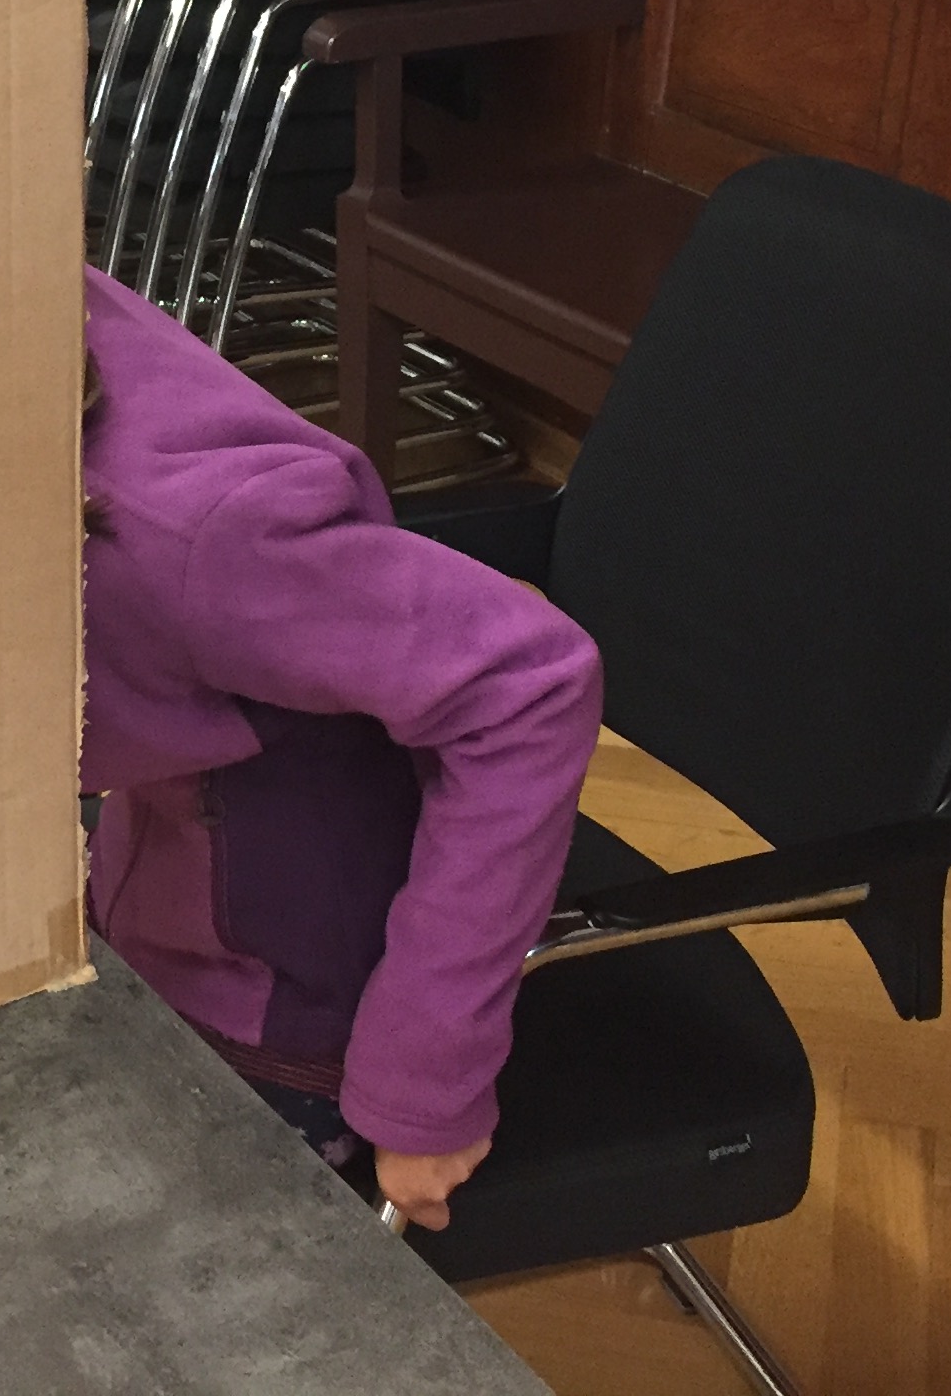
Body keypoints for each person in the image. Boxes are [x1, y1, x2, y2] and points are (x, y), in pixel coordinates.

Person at [80, 265, 603, 1231]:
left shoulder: (195, 543)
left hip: (281, 996)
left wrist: (426, 1081)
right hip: (144, 891)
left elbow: (531, 686)